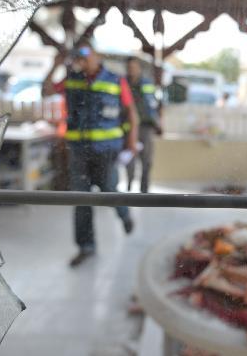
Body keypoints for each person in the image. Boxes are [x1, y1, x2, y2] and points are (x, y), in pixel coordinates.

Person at [43, 44, 138, 266]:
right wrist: (54, 66)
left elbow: (131, 112)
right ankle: (86, 247)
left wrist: (131, 142)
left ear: (97, 56)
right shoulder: (71, 79)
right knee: (80, 198)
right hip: (79, 150)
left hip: (107, 149)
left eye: (86, 56)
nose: (82, 61)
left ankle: (124, 215)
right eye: (78, 57)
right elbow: (47, 90)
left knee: (108, 189)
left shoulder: (115, 80)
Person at [125, 57, 161, 193]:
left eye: (134, 67)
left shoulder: (147, 83)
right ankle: (128, 188)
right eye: (129, 68)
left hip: (146, 126)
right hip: (128, 127)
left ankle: (144, 191)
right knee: (129, 161)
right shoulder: (124, 83)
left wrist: (158, 122)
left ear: (139, 68)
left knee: (146, 161)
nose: (132, 70)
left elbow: (154, 104)